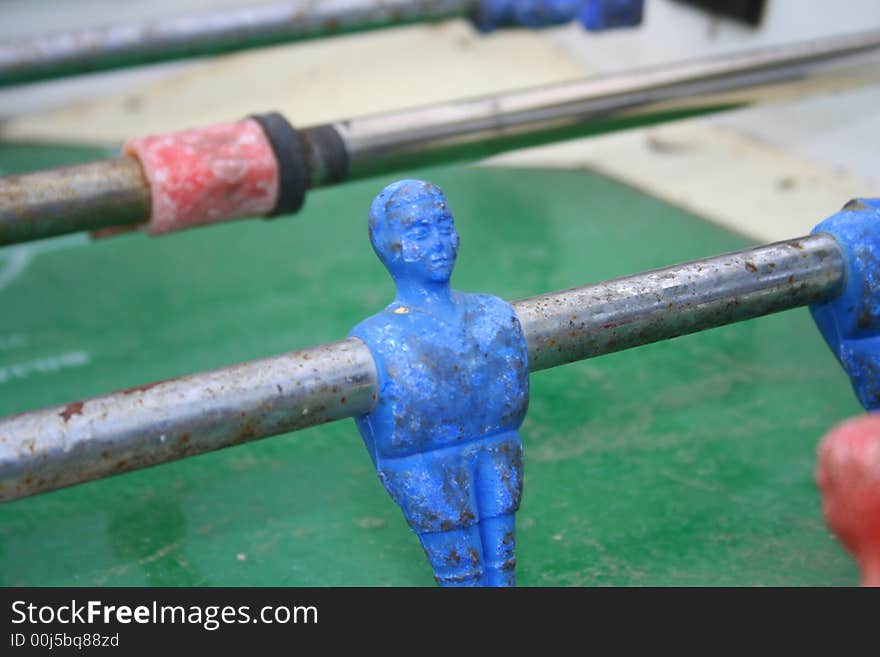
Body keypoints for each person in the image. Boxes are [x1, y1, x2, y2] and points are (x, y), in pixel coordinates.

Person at [350, 179, 530, 586]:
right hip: (424, 471)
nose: (440, 241)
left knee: (501, 566)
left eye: (445, 225)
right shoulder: (377, 338)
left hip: (498, 451)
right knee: (460, 574)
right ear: (387, 244)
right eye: (419, 231)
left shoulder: (494, 314)